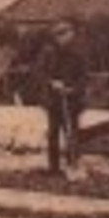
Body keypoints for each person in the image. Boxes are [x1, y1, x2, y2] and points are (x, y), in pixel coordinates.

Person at [33, 20, 88, 175]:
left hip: (72, 101)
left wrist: (72, 89)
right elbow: (39, 73)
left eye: (67, 34)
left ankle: (73, 164)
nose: (64, 38)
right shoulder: (48, 53)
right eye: (59, 35)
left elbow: (83, 77)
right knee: (53, 133)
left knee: (72, 133)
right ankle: (53, 167)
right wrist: (52, 83)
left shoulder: (79, 54)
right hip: (53, 100)